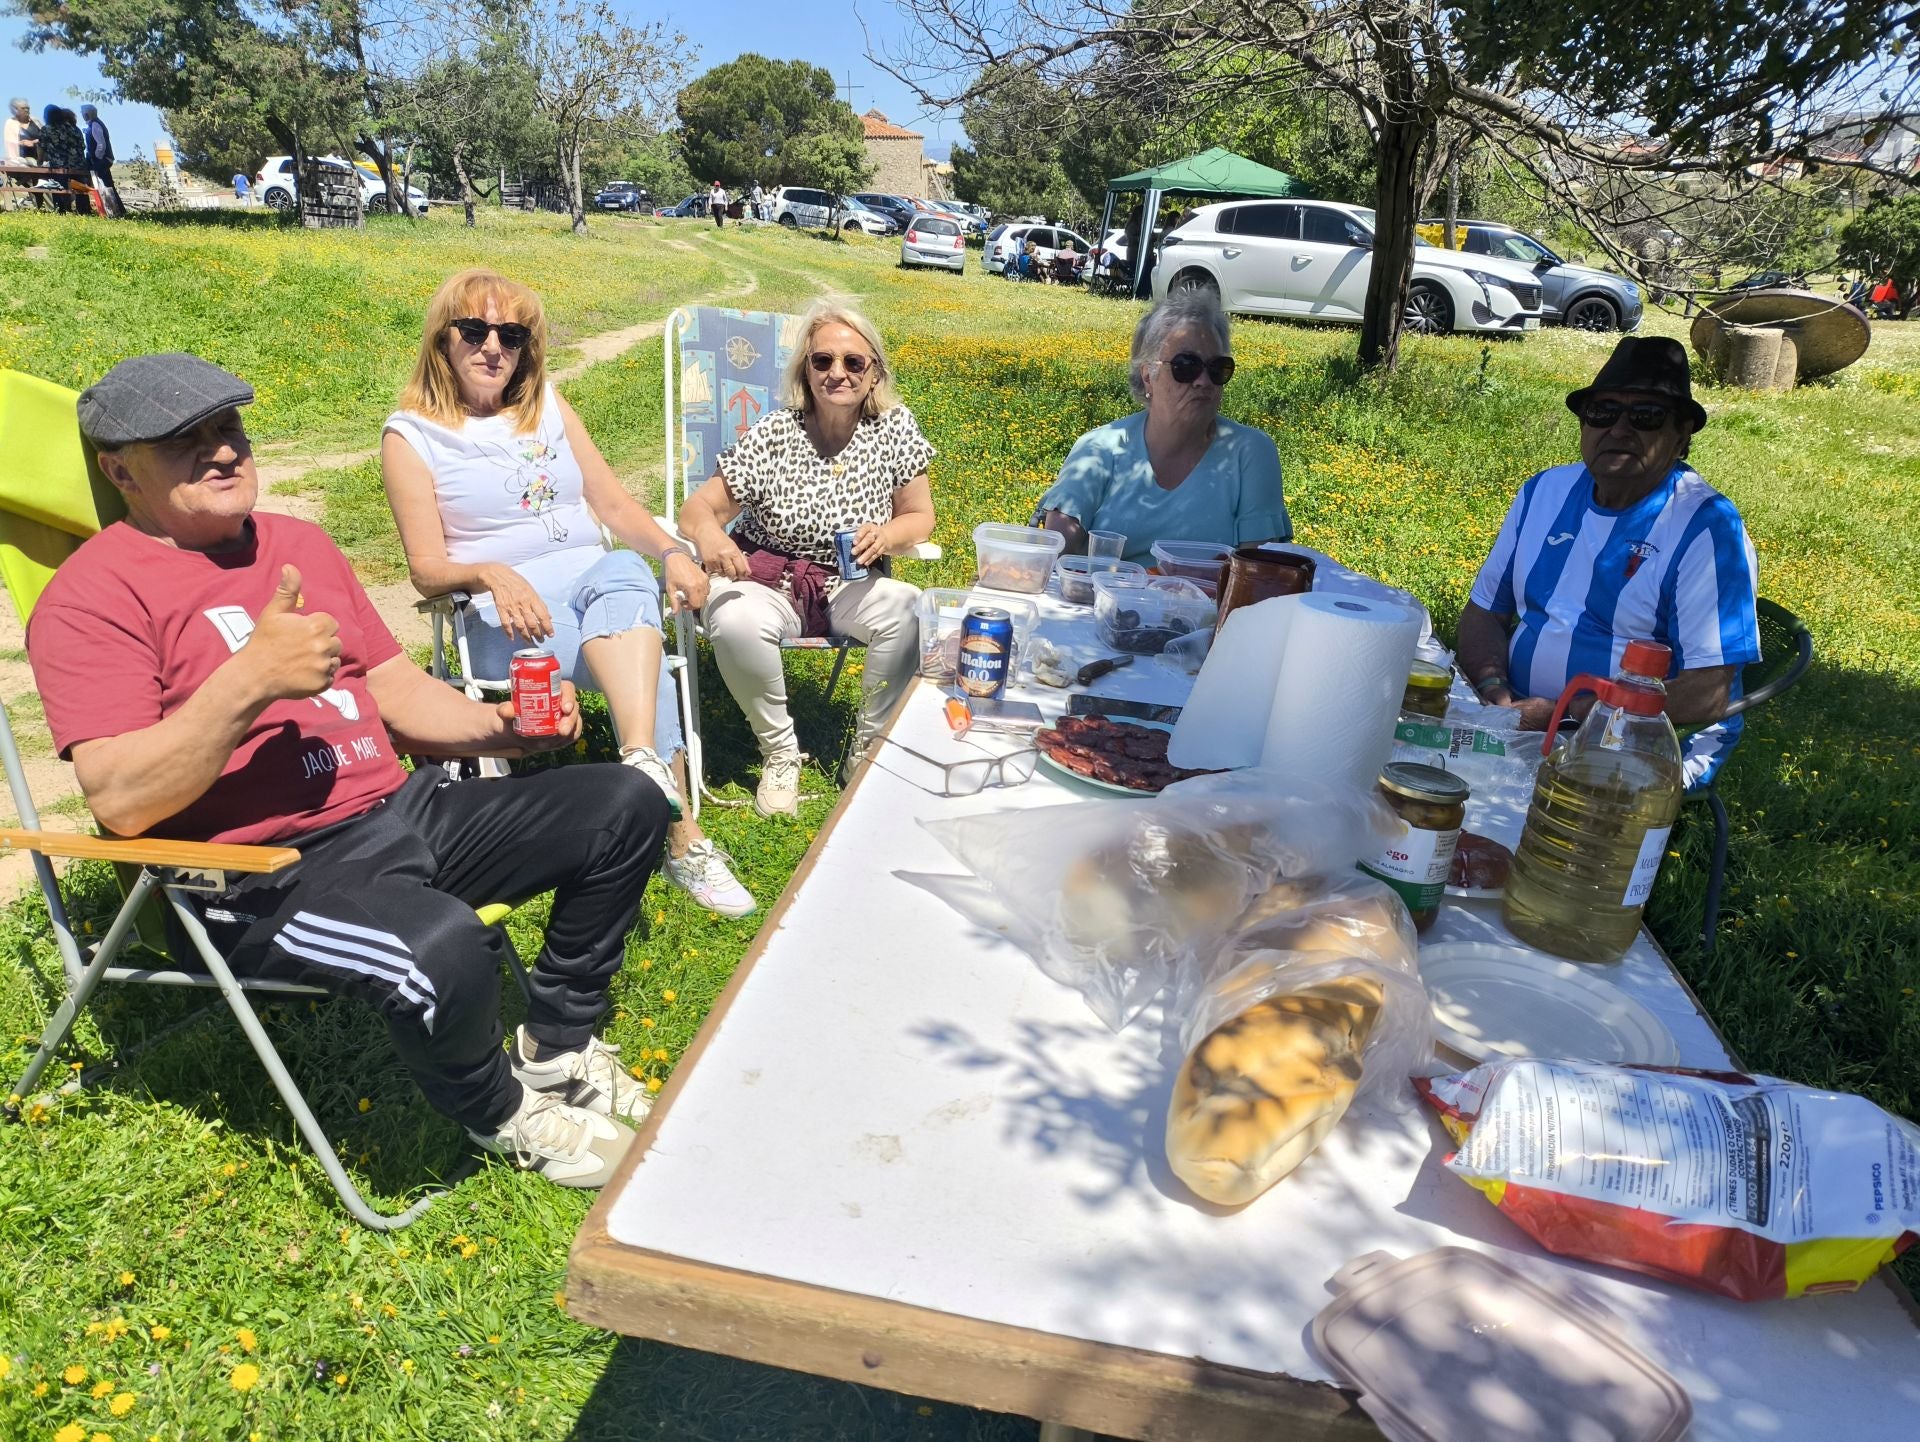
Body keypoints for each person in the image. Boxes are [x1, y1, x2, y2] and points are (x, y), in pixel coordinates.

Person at [26, 352, 671, 1188]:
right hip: (265, 874)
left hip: (401, 810)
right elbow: (118, 798)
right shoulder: (92, 595)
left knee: (628, 801)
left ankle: (556, 1047)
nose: (222, 451)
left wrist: (500, 727)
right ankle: (503, 1112)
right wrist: (251, 679)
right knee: (445, 945)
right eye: (185, 440)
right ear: (120, 471)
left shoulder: (298, 543)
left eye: (230, 428)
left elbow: (394, 692)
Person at [381, 268, 755, 917]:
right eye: (475, 330)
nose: (493, 347)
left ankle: (638, 761)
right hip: (512, 619)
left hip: (601, 592)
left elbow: (610, 503)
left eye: (512, 334)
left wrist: (671, 551)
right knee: (642, 651)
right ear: (443, 340)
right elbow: (424, 569)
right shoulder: (413, 436)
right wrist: (488, 573)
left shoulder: (547, 404)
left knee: (626, 574)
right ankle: (680, 832)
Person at [1457, 336, 1759, 788]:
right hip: (1525, 712)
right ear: (1583, 425)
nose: (1619, 429)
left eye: (1646, 417)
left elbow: (1706, 691)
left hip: (1642, 738)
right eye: (1603, 412)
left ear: (1680, 439)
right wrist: (1494, 691)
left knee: (1528, 813)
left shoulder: (1705, 527)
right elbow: (1485, 610)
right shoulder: (1544, 493)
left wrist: (1569, 713)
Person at [676, 301, 936, 817]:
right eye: (822, 361)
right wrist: (709, 537)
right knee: (732, 618)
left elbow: (920, 517)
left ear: (874, 371)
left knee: (910, 609)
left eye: (853, 362)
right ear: (806, 370)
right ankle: (780, 753)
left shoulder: (894, 428)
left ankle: (869, 747)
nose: (837, 373)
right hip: (767, 578)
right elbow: (698, 509)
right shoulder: (777, 432)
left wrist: (885, 535)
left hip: (849, 580)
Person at [1035, 292, 1289, 566]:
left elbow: (1259, 573)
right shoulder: (1099, 448)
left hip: (1211, 607)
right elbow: (1053, 551)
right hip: (1106, 601)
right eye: (1186, 366)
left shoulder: (1250, 453)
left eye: (1217, 368)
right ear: (1148, 377)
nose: (1204, 381)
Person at [35, 106, 87, 213]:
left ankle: (62, 209)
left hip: (59, 167)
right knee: (80, 188)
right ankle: (84, 210)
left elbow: (41, 147)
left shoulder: (47, 129)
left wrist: (39, 161)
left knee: (58, 186)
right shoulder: (74, 129)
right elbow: (82, 146)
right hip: (79, 165)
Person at [79, 104, 122, 217]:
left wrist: (97, 158)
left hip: (102, 159)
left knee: (106, 185)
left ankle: (115, 211)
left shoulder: (95, 125)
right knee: (106, 185)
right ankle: (115, 210)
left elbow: (101, 144)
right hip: (102, 159)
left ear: (86, 114)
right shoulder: (93, 125)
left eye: (83, 113)